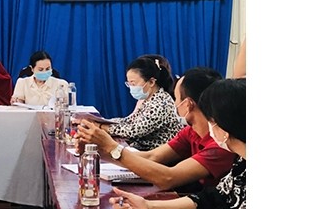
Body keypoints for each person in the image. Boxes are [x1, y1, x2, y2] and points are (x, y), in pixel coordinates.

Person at [110, 78, 246, 209]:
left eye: (210, 119)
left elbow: (169, 177)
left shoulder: (225, 151)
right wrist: (148, 206)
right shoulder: (241, 162)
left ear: (224, 126)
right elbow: (215, 198)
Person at [76, 67, 235, 192]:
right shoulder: (191, 131)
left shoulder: (221, 143)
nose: (174, 102)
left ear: (187, 104)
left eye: (177, 98)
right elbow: (152, 157)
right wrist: (98, 150)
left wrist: (111, 146)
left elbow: (168, 178)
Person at [99, 55, 184, 150]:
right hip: (143, 151)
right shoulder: (149, 99)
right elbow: (129, 121)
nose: (131, 87)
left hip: (158, 156)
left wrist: (102, 127)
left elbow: (134, 130)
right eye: (129, 84)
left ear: (151, 82)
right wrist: (102, 121)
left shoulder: (161, 103)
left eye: (133, 83)